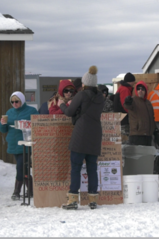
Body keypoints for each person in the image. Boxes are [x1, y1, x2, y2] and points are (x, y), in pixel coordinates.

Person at [60, 66, 104, 210]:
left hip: (81, 134)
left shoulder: (81, 95)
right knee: (92, 168)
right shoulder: (100, 97)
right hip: (95, 135)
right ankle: (93, 199)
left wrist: (61, 105)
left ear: (84, 83)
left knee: (76, 168)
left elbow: (69, 112)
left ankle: (73, 199)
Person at [0, 91, 38, 200]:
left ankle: (16, 191)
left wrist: (27, 125)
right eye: (12, 102)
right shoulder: (9, 112)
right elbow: (3, 130)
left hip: (26, 144)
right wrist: (2, 124)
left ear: (22, 100)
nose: (14, 104)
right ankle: (31, 191)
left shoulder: (31, 111)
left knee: (20, 167)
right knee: (24, 169)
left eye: (17, 101)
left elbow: (38, 124)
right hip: (13, 144)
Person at [123, 81, 156, 146]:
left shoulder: (148, 103)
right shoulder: (133, 100)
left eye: (142, 89)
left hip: (148, 135)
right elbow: (127, 106)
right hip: (137, 135)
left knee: (147, 155)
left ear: (145, 91)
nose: (140, 90)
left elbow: (152, 118)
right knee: (138, 155)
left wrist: (155, 130)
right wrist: (127, 101)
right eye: (138, 89)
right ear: (136, 90)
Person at [113, 73, 136, 142]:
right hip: (124, 120)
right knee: (125, 141)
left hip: (120, 118)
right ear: (131, 81)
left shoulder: (122, 88)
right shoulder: (125, 89)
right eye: (133, 81)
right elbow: (125, 105)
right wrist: (132, 114)